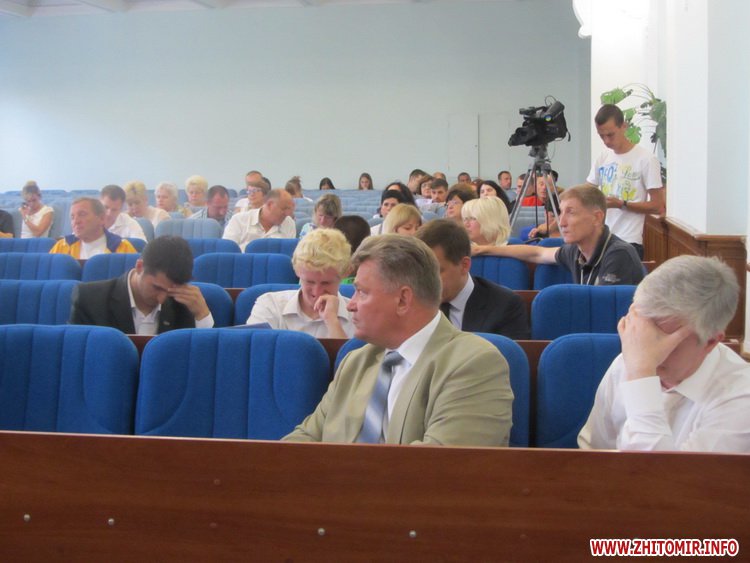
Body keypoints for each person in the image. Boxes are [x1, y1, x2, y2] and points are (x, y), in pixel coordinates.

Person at [282, 234, 513, 446]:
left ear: (403, 300)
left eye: (362, 292)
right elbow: (305, 439)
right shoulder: (355, 362)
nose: (351, 304)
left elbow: (441, 467)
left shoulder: (474, 364)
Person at [578, 255, 750, 453]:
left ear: (710, 342)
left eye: (666, 341)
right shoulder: (626, 361)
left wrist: (642, 374)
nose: (648, 351)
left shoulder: (741, 398)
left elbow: (661, 472)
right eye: (643, 334)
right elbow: (595, 454)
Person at [473, 185, 644, 286]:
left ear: (597, 218)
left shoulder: (618, 254)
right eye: (561, 212)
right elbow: (537, 253)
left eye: (571, 212)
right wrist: (483, 249)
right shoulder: (575, 250)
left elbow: (605, 312)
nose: (561, 222)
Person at [70, 235, 213, 335]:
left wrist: (202, 315)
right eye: (157, 288)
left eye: (170, 292)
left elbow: (199, 358)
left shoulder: (185, 304)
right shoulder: (89, 300)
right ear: (139, 267)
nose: (162, 299)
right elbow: (79, 355)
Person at [417, 220, 529, 339]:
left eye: (435, 271)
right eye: (419, 271)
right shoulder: (411, 303)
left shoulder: (505, 306)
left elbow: (508, 351)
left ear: (464, 265)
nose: (424, 281)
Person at [586, 104, 665, 259]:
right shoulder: (603, 157)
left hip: (629, 241)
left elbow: (657, 206)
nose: (606, 141)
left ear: (624, 126)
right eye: (601, 136)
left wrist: (621, 204)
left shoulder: (646, 159)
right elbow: (588, 190)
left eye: (610, 135)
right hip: (602, 238)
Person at [246, 228, 354, 338]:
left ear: (345, 274)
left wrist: (332, 322)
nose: (317, 292)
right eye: (309, 282)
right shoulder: (270, 306)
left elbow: (354, 351)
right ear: (297, 271)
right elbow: (255, 347)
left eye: (326, 283)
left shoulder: (357, 316)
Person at [49, 198, 136, 258]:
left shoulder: (122, 248)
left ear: (101, 218)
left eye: (82, 214)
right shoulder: (62, 247)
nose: (76, 221)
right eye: (72, 217)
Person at [222, 188, 296, 251]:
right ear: (270, 205)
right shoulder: (238, 220)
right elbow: (227, 251)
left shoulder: (289, 223)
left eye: (289, 209)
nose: (288, 213)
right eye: (284, 209)